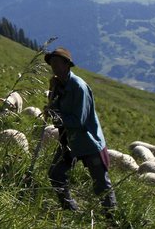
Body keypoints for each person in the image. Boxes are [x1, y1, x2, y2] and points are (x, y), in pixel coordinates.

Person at [44, 46, 117, 214]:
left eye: (57, 62)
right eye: (51, 63)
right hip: (69, 141)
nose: (53, 66)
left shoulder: (79, 87)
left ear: (67, 64)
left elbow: (79, 120)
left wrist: (56, 116)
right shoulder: (58, 84)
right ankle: (71, 210)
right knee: (56, 174)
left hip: (88, 141)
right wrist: (51, 92)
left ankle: (112, 219)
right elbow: (54, 107)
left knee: (101, 184)